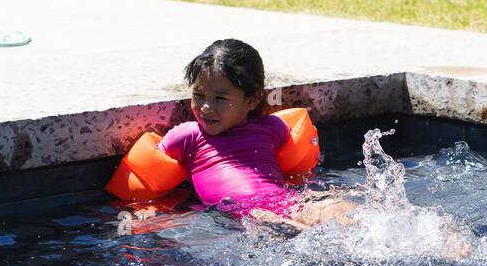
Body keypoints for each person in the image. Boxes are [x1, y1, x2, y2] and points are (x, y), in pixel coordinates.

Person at [135, 38, 362, 232]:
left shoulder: (271, 127)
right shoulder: (188, 136)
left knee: (340, 210)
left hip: (287, 201)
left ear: (252, 100)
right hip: (244, 212)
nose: (205, 107)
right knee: (285, 227)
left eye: (220, 99)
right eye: (199, 95)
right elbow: (155, 173)